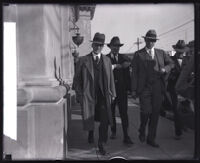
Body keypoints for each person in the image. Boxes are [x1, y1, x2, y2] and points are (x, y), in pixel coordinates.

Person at [73, 32, 116, 155]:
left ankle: (101, 144)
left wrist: (113, 93)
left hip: (103, 96)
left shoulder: (107, 60)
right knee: (90, 117)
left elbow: (111, 78)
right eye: (96, 44)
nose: (98, 47)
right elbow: (76, 80)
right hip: (89, 95)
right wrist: (80, 95)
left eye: (101, 45)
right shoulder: (83, 60)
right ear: (92, 45)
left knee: (105, 120)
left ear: (103, 46)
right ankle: (91, 133)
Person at [131, 29, 174, 148]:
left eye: (153, 40)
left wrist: (165, 69)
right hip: (144, 88)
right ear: (145, 40)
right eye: (149, 40)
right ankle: (142, 127)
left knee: (155, 114)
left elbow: (171, 63)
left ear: (155, 41)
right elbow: (134, 73)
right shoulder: (138, 54)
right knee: (145, 112)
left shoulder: (161, 53)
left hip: (157, 88)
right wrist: (134, 90)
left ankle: (151, 138)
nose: (151, 42)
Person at [106, 36, 133, 145]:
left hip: (122, 91)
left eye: (118, 46)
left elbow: (129, 74)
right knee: (111, 113)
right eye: (114, 46)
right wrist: (115, 66)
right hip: (111, 91)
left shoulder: (124, 58)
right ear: (110, 47)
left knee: (124, 113)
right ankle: (113, 131)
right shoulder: (106, 58)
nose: (116, 48)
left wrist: (130, 89)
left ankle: (126, 135)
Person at [167, 40, 190, 140]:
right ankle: (178, 132)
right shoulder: (170, 59)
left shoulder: (188, 60)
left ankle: (183, 125)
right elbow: (167, 73)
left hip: (184, 89)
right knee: (176, 110)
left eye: (182, 50)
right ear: (175, 50)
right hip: (173, 88)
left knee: (185, 109)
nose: (181, 52)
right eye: (179, 50)